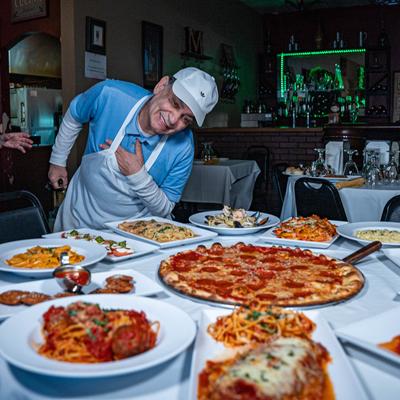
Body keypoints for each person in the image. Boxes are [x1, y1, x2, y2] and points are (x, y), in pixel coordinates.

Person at [48, 67, 218, 231]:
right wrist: (57, 160)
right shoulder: (111, 95)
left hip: (137, 232)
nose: (173, 119)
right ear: (161, 86)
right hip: (80, 217)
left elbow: (164, 208)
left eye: (186, 119)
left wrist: (138, 176)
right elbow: (75, 115)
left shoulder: (183, 146)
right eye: (174, 103)